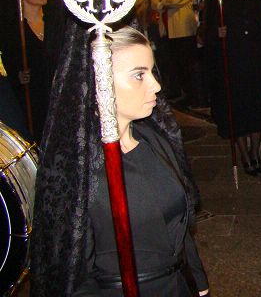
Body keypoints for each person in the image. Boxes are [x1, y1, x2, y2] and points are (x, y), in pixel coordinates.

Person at [30, 25, 209, 296]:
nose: (156, 85)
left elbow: (179, 229)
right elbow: (70, 271)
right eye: (139, 75)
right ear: (98, 81)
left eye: (152, 71)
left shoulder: (155, 141)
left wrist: (199, 284)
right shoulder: (79, 169)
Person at [205, 0, 261, 175]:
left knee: (257, 108)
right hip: (233, 62)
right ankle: (244, 154)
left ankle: (255, 152)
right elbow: (207, 34)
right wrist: (217, 33)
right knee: (239, 110)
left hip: (254, 60)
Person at [0, 0, 50, 142]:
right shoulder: (14, 31)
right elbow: (9, 63)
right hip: (32, 97)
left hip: (53, 92)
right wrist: (18, 76)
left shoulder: (54, 24)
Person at [151, 0, 198, 103]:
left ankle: (190, 95)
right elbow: (154, 0)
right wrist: (163, 3)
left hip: (183, 31)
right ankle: (178, 92)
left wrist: (163, 2)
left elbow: (176, 1)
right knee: (174, 64)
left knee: (185, 65)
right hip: (169, 31)